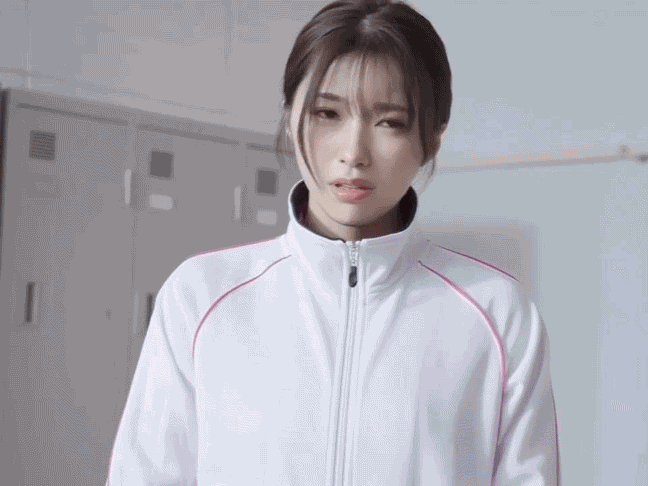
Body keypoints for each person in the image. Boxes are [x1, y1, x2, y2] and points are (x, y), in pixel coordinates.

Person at [106, 0, 561, 484]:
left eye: (390, 121)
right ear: (291, 119)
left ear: (432, 139)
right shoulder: (202, 298)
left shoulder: (497, 314)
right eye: (328, 113)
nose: (354, 152)